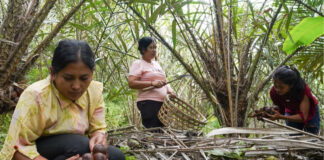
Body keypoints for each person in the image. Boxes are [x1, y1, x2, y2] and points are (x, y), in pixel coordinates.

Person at [0, 40, 125, 160]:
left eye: (84, 78)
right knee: (78, 145)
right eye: (68, 78)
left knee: (116, 156)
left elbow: (98, 128)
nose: (76, 86)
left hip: (67, 152)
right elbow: (16, 149)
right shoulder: (36, 96)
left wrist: (98, 138)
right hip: (34, 154)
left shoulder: (93, 91)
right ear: (53, 73)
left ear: (92, 74)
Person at [128, 37, 175, 129]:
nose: (154, 50)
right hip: (148, 103)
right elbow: (131, 83)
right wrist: (152, 83)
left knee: (163, 132)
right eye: (151, 47)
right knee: (153, 131)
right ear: (143, 49)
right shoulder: (138, 64)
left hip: (163, 103)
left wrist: (170, 91)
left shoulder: (157, 64)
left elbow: (164, 81)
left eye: (155, 47)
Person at [267, 66, 320, 135]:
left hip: (310, 113)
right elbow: (280, 109)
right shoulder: (274, 92)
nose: (277, 89)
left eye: (281, 87)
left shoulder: (302, 91)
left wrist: (281, 117)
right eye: (275, 85)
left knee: (311, 138)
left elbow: (303, 117)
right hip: (291, 111)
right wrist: (269, 112)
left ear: (291, 85)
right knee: (294, 137)